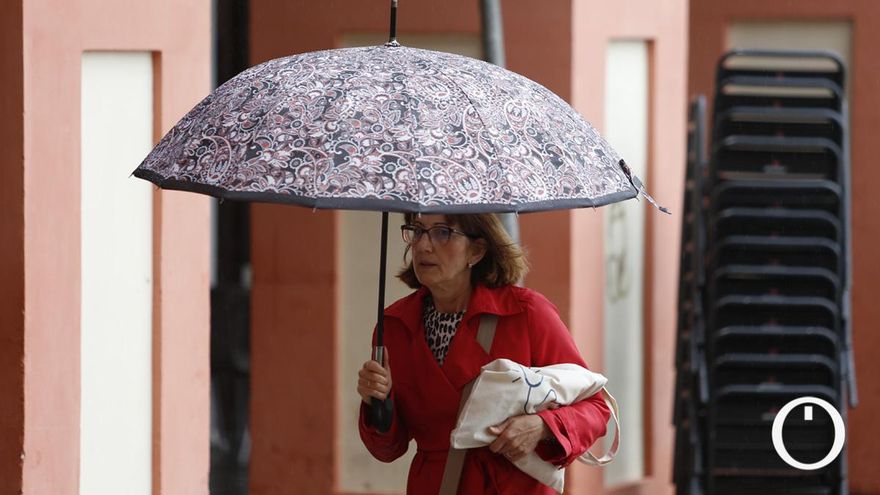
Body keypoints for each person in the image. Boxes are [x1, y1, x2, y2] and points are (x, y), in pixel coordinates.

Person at [357, 213, 611, 494]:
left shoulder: (526, 313)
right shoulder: (395, 325)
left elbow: (596, 408)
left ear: (477, 251)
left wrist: (542, 426)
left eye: (442, 233)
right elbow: (387, 449)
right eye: (417, 230)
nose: (423, 246)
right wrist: (377, 403)